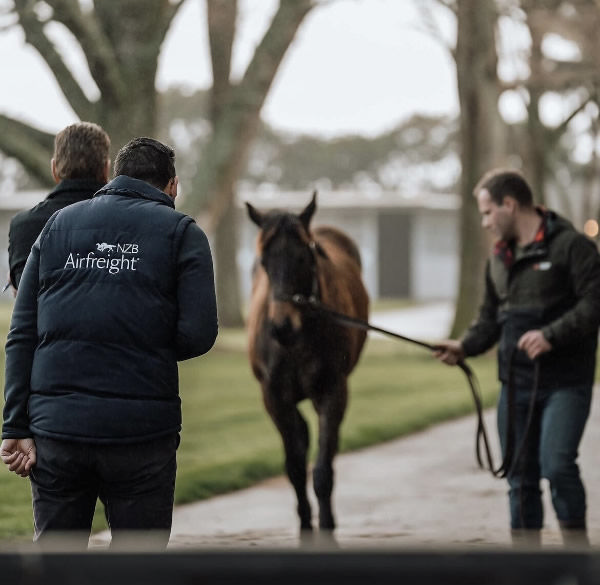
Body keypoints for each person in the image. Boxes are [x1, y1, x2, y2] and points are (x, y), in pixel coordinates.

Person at [0, 137, 218, 549]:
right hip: (140, 436)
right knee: (138, 565)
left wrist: (15, 424)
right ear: (172, 186)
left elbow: (23, 331)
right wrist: (142, 341)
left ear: (115, 175)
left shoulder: (57, 225)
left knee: (56, 564)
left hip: (58, 433)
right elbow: (199, 334)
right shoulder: (182, 232)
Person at [434, 168, 600, 548]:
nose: (485, 221)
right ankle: (528, 567)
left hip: (565, 384)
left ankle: (578, 558)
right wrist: (464, 346)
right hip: (516, 386)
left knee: (558, 467)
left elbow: (595, 302)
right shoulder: (498, 259)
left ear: (510, 205)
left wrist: (551, 336)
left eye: (489, 212)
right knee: (520, 478)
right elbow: (490, 318)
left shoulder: (571, 246)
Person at [8, 121, 111, 291]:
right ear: (106, 169)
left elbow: (24, 298)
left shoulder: (23, 226)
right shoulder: (129, 222)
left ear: (54, 168)